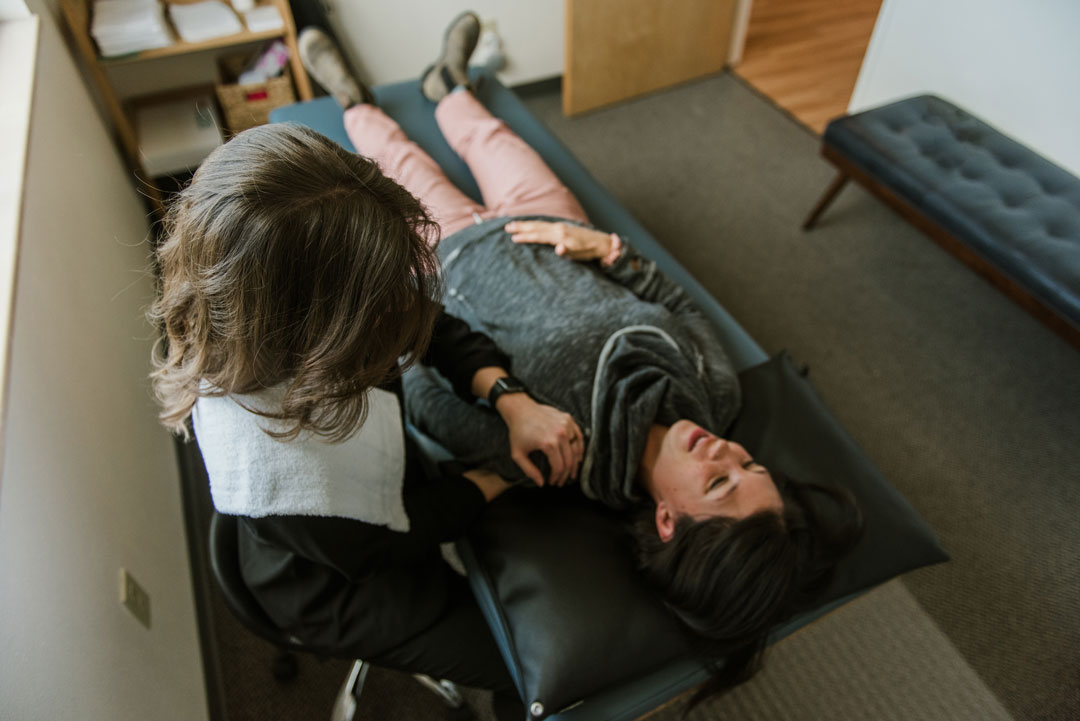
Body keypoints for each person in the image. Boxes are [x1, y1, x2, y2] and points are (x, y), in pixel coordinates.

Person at [290, 12, 862, 703]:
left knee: (401, 164)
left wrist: (411, 309)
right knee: (490, 135)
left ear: (666, 521)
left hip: (453, 255)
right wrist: (610, 252)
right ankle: (447, 84)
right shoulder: (715, 395)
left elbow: (427, 398)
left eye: (718, 483)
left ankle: (352, 100)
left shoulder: (557, 455)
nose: (724, 451)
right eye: (748, 464)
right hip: (555, 225)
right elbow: (679, 307)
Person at [148, 14, 588, 720]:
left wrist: (509, 398)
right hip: (344, 578)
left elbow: (429, 324)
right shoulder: (285, 478)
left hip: (370, 500)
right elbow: (403, 530)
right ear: (315, 340)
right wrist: (499, 476)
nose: (397, 314)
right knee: (524, 661)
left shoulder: (284, 305)